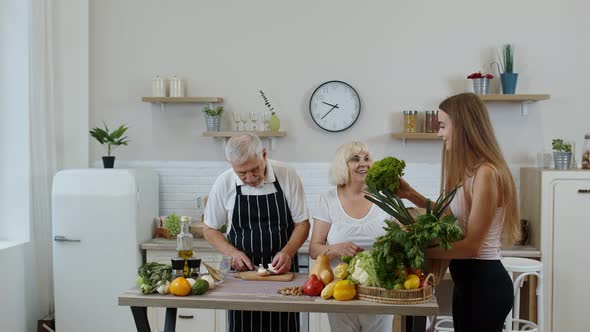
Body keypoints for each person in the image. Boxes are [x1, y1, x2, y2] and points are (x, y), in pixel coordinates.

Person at [396, 93, 519, 332]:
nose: (439, 133)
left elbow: (471, 246)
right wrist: (411, 194)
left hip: (485, 283)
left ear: (462, 127)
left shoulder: (487, 173)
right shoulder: (469, 172)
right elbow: (448, 217)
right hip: (467, 282)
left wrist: (415, 250)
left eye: (442, 126)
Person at [202, 133, 310, 332]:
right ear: (231, 164)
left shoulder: (286, 175)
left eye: (254, 170)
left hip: (282, 273)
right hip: (241, 276)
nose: (249, 178)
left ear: (264, 154)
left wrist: (287, 252)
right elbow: (209, 229)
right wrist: (233, 254)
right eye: (241, 173)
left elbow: (302, 224)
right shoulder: (224, 182)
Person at [310, 141, 394, 332]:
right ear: (342, 165)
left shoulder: (385, 198)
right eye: (355, 159)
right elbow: (315, 248)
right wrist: (334, 249)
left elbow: (402, 238)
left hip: (378, 290)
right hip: (340, 290)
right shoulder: (328, 199)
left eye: (367, 158)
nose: (363, 163)